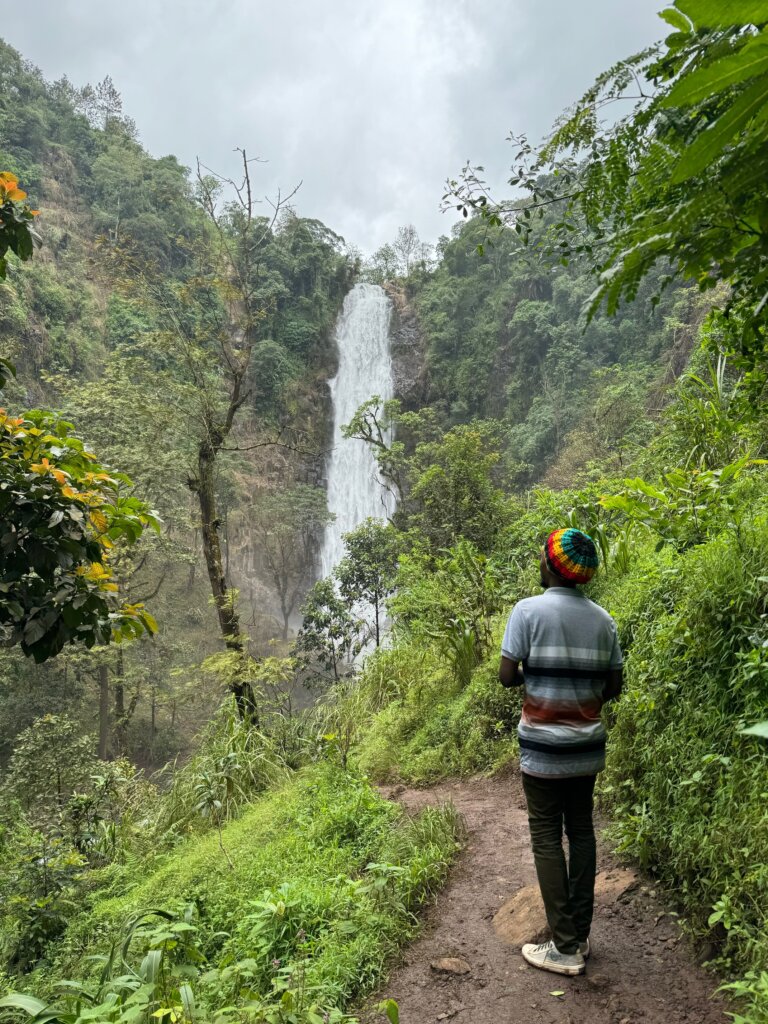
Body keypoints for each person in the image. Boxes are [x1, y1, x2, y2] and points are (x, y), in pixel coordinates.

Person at [499, 528, 623, 977]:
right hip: (587, 746)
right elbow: (614, 686)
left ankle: (565, 946)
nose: (538, 560)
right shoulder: (603, 620)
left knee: (547, 837)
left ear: (552, 566)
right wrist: (580, 693)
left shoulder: (527, 611)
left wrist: (539, 678)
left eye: (541, 556)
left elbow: (506, 675)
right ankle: (581, 935)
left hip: (543, 747)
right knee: (583, 831)